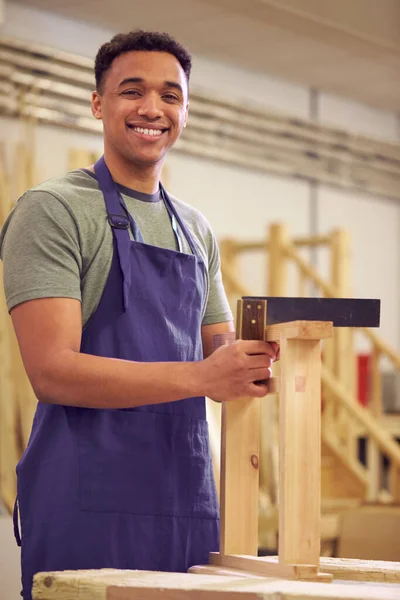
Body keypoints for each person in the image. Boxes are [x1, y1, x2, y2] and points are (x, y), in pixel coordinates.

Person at [0, 30, 278, 600]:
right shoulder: (53, 211)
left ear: (185, 110)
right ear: (98, 103)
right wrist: (205, 377)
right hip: (87, 502)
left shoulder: (195, 230)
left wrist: (270, 356)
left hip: (184, 500)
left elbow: (218, 357)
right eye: (133, 91)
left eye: (171, 96)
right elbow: (51, 370)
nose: (153, 109)